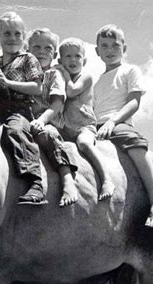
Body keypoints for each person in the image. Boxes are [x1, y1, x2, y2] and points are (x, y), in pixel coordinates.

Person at [94, 24, 153, 227]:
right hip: (96, 126)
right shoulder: (97, 82)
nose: (109, 50)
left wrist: (113, 121)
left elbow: (134, 102)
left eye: (115, 45)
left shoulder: (129, 70)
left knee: (134, 144)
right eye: (104, 46)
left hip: (118, 122)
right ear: (97, 51)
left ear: (124, 48)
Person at [0, 12, 47, 205]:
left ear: (23, 36)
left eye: (17, 34)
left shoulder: (28, 59)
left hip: (20, 110)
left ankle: (35, 183)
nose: (12, 38)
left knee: (15, 130)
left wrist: (6, 82)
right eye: (7, 34)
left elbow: (36, 87)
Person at [55, 37, 116, 201]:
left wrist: (64, 74)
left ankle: (107, 179)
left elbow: (72, 91)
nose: (73, 60)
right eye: (68, 57)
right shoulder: (61, 78)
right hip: (66, 127)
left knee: (84, 143)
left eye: (77, 56)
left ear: (85, 60)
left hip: (84, 126)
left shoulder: (86, 77)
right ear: (61, 60)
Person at [27, 28, 79, 207]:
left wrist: (41, 121)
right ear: (28, 50)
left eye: (48, 48)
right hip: (26, 119)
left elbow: (57, 105)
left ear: (55, 54)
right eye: (36, 47)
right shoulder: (24, 75)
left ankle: (67, 178)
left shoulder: (54, 75)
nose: (42, 51)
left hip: (48, 119)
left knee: (48, 135)